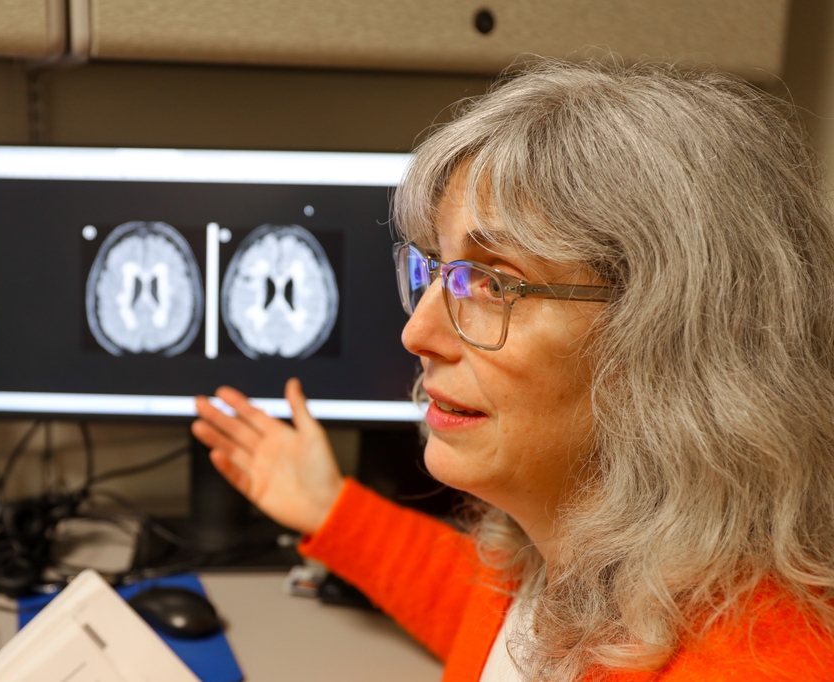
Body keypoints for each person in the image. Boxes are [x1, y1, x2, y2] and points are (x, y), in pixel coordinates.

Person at [191, 58, 834, 681]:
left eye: (494, 283)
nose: (417, 334)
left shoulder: (760, 665)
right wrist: (331, 509)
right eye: (437, 272)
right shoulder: (559, 566)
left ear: (672, 335)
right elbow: (480, 612)